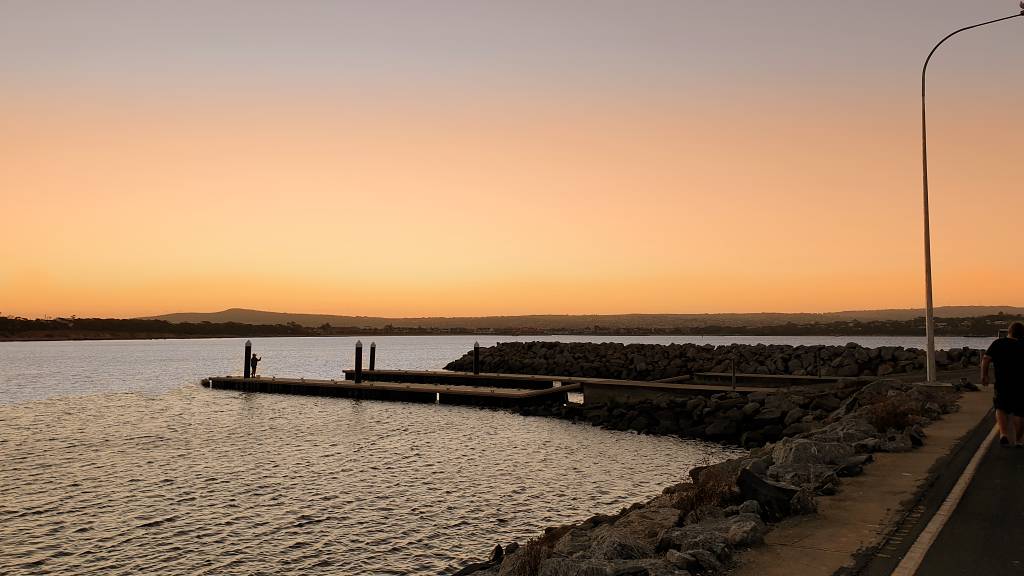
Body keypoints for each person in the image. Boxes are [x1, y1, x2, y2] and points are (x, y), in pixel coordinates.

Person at [981, 322, 1024, 446]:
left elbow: (986, 359)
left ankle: (1003, 433)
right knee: (1019, 412)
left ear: (1009, 332)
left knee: (1001, 408)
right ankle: (1019, 440)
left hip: (1002, 382)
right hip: (1021, 384)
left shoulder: (998, 343)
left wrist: (984, 375)